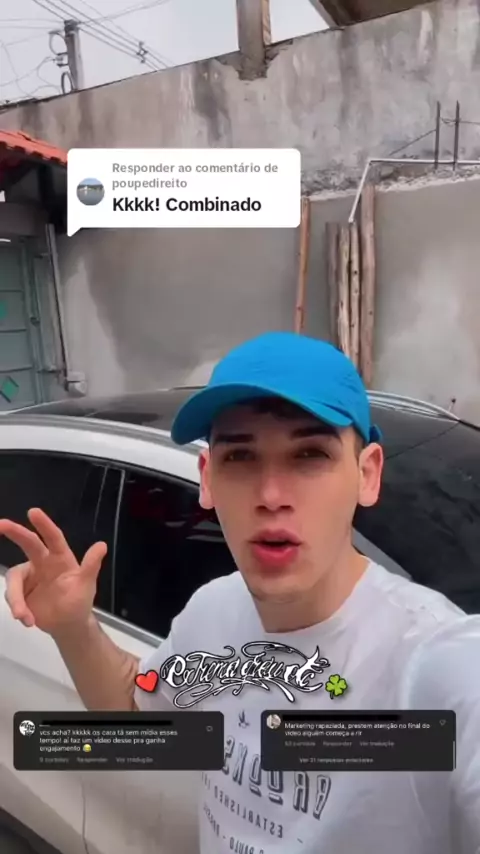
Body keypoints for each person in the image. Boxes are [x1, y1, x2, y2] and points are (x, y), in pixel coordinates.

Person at [2, 331, 480, 854]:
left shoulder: (432, 664)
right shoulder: (214, 610)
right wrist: (74, 627)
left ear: (367, 475)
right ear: (208, 479)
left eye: (310, 454)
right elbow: (135, 710)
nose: (271, 496)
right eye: (241, 457)